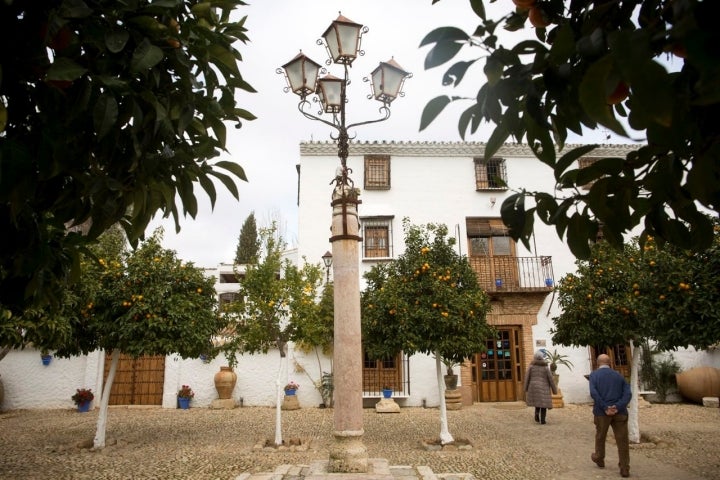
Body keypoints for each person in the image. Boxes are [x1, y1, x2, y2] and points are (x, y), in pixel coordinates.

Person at [589, 353, 632, 478]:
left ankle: (599, 457)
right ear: (610, 363)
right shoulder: (619, 375)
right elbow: (627, 394)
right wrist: (617, 406)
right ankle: (624, 468)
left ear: (598, 363)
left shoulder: (594, 375)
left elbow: (594, 393)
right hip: (620, 413)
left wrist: (605, 407)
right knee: (622, 440)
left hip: (602, 412)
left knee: (600, 436)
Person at [523, 350, 557, 424]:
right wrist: (554, 390)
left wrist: (525, 388)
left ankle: (536, 413)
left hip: (533, 386)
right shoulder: (545, 367)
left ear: (534, 357)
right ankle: (543, 420)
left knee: (537, 401)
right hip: (544, 387)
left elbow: (527, 377)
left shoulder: (531, 366)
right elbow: (550, 379)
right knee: (543, 404)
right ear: (542, 357)